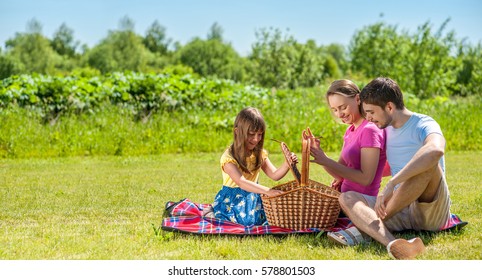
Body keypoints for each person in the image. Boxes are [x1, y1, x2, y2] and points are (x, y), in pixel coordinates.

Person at [339, 77, 452, 260]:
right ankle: (394, 244)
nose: (367, 118)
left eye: (371, 112)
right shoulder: (385, 129)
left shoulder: (423, 123)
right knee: (347, 197)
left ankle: (368, 226)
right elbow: (380, 167)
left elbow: (436, 149)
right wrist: (343, 176)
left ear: (389, 107)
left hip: (428, 209)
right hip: (400, 207)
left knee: (429, 164)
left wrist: (393, 182)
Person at [308, 79, 387, 246]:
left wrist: (326, 160)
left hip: (361, 202)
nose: (339, 114)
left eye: (343, 107)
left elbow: (367, 178)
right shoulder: (350, 131)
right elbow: (339, 173)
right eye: (335, 110)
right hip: (344, 200)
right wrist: (320, 156)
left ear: (358, 99)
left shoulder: (370, 130)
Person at [209, 107, 297, 226]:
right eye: (251, 134)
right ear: (237, 131)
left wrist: (287, 164)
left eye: (260, 134)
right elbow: (241, 182)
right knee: (246, 222)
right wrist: (268, 191)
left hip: (254, 197)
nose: (256, 139)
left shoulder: (259, 153)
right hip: (233, 199)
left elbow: (275, 175)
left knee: (276, 217)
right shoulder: (229, 158)